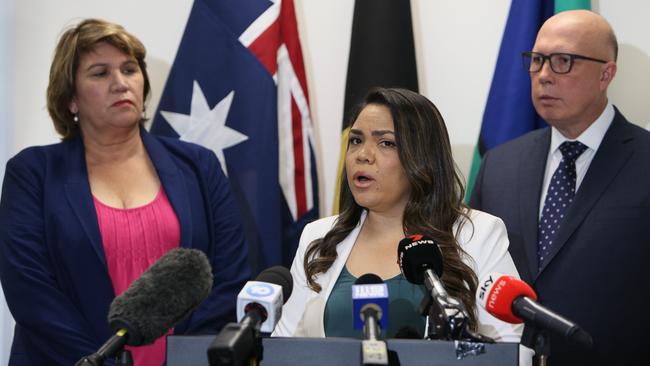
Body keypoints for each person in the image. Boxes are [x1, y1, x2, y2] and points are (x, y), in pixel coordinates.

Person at [0, 19, 250, 366]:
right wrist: (101, 361)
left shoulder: (199, 166)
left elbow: (230, 275)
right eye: (100, 73)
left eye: (129, 69)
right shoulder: (33, 173)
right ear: (71, 98)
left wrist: (184, 358)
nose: (121, 83)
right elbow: (30, 290)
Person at [274, 88, 527, 354]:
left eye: (386, 143)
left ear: (422, 157)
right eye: (356, 140)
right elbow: (284, 346)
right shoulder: (318, 236)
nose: (363, 155)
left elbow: (508, 350)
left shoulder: (478, 234)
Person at [469, 10, 650, 366]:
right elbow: (473, 271)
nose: (544, 76)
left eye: (563, 61)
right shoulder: (499, 165)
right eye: (537, 61)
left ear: (606, 74)